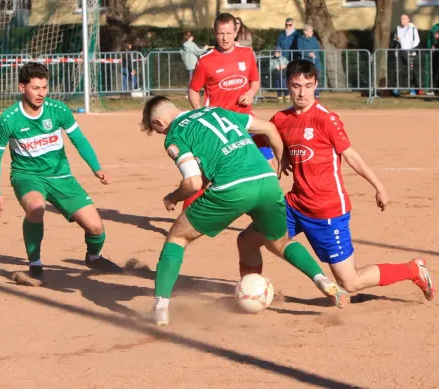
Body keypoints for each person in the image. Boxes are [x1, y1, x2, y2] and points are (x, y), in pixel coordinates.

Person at [139, 96, 344, 326]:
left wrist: (173, 197)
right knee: (280, 242)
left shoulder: (176, 135)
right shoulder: (216, 111)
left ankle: (160, 309)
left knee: (177, 237)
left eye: (158, 131)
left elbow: (193, 183)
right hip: (267, 182)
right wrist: (279, 159)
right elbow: (268, 128)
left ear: (159, 122)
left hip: (232, 189)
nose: (162, 135)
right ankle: (323, 280)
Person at [251, 59, 435, 306]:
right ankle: (252, 291)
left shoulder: (326, 119)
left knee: (350, 282)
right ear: (287, 86)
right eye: (296, 85)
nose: (302, 92)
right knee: (249, 239)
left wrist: (378, 187)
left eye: (307, 85)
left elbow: (351, 156)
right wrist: (276, 155)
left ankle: (413, 270)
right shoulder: (281, 119)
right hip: (295, 204)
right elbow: (256, 146)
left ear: (316, 85)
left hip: (327, 211)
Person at [0, 62, 117, 285]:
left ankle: (93, 257)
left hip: (61, 176)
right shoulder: (7, 120)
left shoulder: (58, 110)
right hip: (27, 175)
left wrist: (96, 168)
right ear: (22, 88)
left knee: (96, 228)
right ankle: (35, 264)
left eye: (44, 87)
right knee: (36, 208)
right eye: (35, 88)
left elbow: (79, 139)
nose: (41, 93)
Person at [185, 12, 274, 209]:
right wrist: (200, 115)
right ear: (214, 34)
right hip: (220, 126)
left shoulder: (247, 54)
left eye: (228, 33)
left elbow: (255, 81)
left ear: (236, 32)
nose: (225, 38)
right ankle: (187, 217)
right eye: (220, 33)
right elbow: (193, 91)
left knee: (267, 163)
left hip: (245, 120)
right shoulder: (206, 60)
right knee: (204, 177)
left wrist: (251, 92)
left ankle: (265, 212)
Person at [393, 14, 420, 96]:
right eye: (401, 19)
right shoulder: (398, 29)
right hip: (400, 52)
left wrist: (411, 48)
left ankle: (413, 89)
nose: (402, 20)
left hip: (409, 52)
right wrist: (396, 40)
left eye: (404, 19)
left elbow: (417, 40)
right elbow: (395, 39)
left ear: (408, 20)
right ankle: (398, 89)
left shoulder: (412, 28)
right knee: (399, 71)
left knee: (411, 71)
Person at [295, 25, 322, 98]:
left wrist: (314, 54)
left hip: (315, 61)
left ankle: (317, 93)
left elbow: (318, 49)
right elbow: (299, 50)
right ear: (305, 32)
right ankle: (307, 94)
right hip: (306, 62)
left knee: (317, 77)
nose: (311, 33)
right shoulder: (300, 39)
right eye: (310, 31)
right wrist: (308, 54)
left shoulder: (314, 39)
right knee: (306, 78)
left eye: (312, 31)